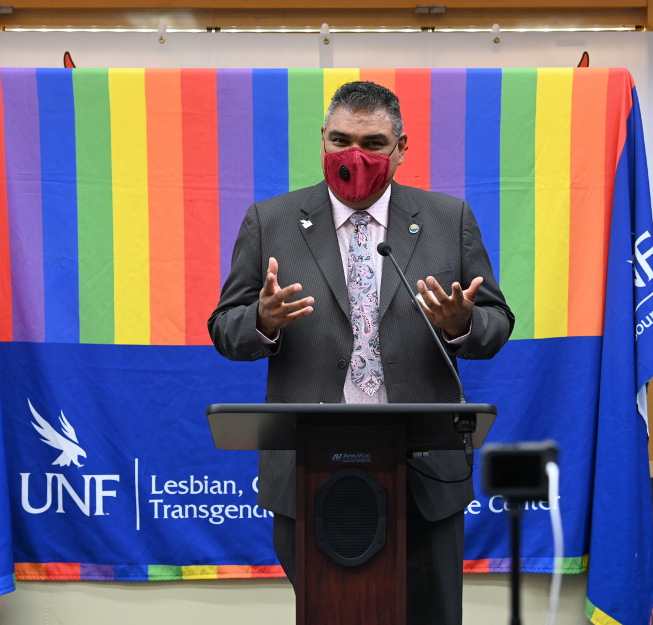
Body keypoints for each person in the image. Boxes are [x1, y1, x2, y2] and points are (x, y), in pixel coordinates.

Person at [208, 81, 514, 624]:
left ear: (401, 148)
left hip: (425, 476)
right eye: (340, 139)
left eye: (373, 142)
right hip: (310, 473)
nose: (355, 155)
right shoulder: (270, 220)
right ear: (322, 140)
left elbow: (495, 323)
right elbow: (225, 328)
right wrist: (262, 321)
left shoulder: (449, 219)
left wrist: (462, 324)